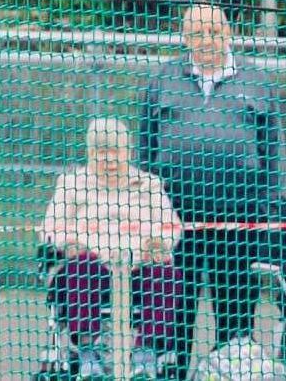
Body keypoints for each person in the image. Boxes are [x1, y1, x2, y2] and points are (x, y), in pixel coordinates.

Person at [138, 3, 284, 380]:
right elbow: (145, 150)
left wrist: (267, 212)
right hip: (174, 218)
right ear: (185, 37)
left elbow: (272, 154)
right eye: (198, 33)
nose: (207, 40)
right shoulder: (161, 80)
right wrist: (146, 210)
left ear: (229, 34)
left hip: (239, 217)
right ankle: (173, 373)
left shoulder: (259, 82)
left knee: (234, 309)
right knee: (174, 307)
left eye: (214, 32)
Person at [39, 118, 183, 378]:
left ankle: (146, 354)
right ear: (91, 153)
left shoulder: (148, 184)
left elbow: (170, 225)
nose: (109, 159)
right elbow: (51, 227)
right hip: (91, 267)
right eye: (101, 152)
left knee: (166, 272)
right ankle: (87, 351)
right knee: (82, 267)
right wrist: (68, 243)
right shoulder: (71, 183)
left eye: (115, 151)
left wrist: (159, 243)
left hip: (137, 267)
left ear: (127, 152)